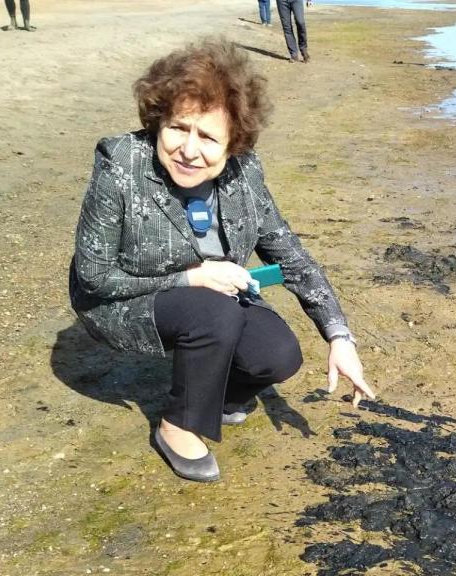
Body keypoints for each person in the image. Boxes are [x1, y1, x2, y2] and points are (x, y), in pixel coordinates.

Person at [69, 37, 375, 483]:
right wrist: (192, 277)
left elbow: (292, 258)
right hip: (122, 299)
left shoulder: (245, 174)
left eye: (208, 137)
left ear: (234, 144)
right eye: (177, 128)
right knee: (212, 312)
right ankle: (178, 426)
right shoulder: (121, 164)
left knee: (278, 356)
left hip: (214, 299)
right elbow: (93, 276)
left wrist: (339, 335)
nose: (189, 150)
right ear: (158, 121)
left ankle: (216, 394)